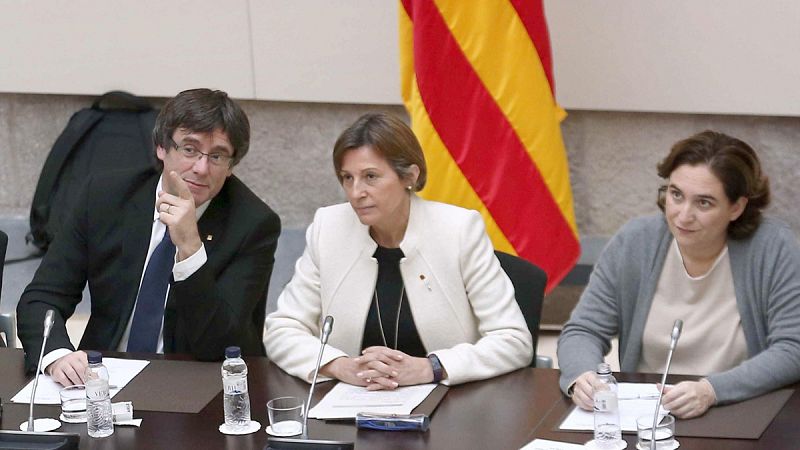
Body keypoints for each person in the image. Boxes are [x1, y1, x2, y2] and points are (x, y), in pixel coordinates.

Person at [17, 89, 281, 386]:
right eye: (190, 149)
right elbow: (42, 297)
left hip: (196, 386)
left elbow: (219, 346)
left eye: (217, 155)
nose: (201, 168)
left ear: (231, 166)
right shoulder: (105, 197)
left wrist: (190, 248)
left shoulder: (253, 224)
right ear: (161, 147)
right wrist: (56, 355)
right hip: (104, 377)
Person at [264, 113, 532, 389]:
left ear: (410, 176)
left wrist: (431, 368)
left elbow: (513, 340)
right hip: (353, 402)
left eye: (370, 177)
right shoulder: (329, 228)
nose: (356, 192)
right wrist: (341, 366)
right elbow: (281, 330)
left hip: (448, 406)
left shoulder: (458, 230)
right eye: (347, 178)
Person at [558, 130, 800, 418]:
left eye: (704, 203)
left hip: (741, 410)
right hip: (649, 416)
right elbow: (584, 330)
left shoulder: (772, 247)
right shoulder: (636, 241)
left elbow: (792, 348)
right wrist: (581, 376)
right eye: (676, 195)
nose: (683, 215)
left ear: (736, 207)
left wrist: (712, 390)